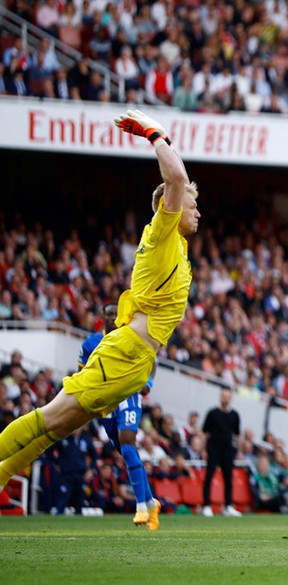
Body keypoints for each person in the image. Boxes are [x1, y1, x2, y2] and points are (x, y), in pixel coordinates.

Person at [0, 110, 200, 500]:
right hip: (124, 353)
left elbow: (179, 177)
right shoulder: (162, 232)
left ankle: (3, 473)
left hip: (136, 360)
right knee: (52, 417)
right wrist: (153, 132)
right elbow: (175, 178)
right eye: (192, 206)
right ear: (170, 207)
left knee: (59, 428)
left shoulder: (176, 245)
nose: (198, 212)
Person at [80, 301, 161, 530]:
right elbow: (82, 372)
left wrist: (149, 382)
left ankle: (142, 507)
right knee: (127, 453)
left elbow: (152, 358)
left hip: (129, 395)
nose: (114, 317)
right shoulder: (91, 343)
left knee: (127, 444)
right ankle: (150, 502)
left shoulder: (131, 335)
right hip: (107, 402)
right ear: (102, 316)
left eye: (117, 313)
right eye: (109, 313)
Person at [201, 388, 242, 517]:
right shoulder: (212, 413)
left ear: (231, 398)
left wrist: (239, 451)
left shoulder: (234, 415)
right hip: (213, 449)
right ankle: (207, 506)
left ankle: (228, 506)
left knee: (228, 479)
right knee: (209, 477)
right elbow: (204, 432)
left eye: (227, 396)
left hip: (228, 450)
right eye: (223, 396)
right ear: (220, 397)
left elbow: (237, 435)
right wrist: (203, 449)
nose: (225, 398)